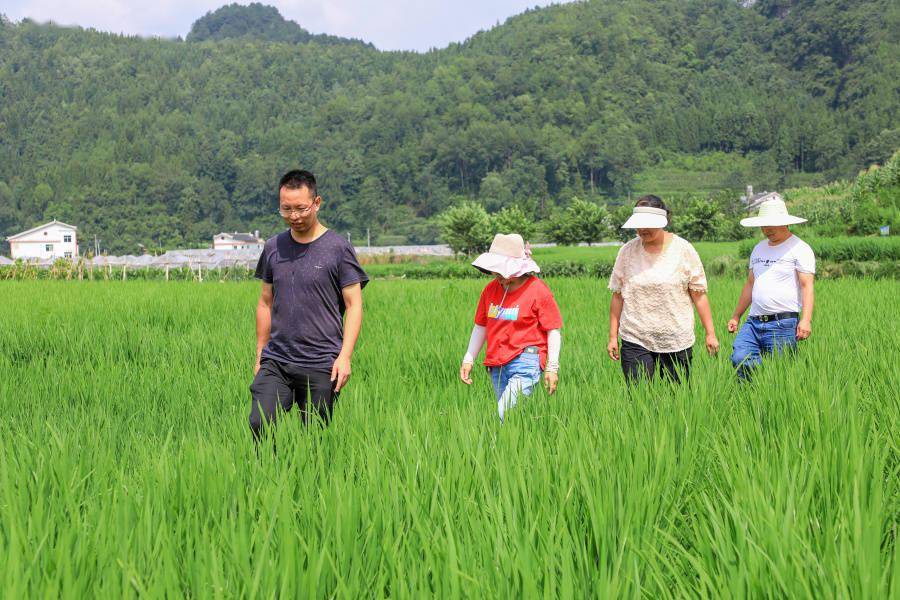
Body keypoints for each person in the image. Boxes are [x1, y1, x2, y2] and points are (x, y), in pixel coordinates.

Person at [249, 170, 368, 440]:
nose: (294, 216)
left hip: (321, 362)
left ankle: (306, 479)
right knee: (259, 424)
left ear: (316, 203)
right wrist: (260, 354)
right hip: (277, 360)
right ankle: (268, 477)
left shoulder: (338, 248)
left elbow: (354, 305)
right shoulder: (273, 248)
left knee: (314, 437)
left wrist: (345, 356)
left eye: (301, 208)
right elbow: (265, 302)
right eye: (286, 209)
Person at [607, 196, 719, 384]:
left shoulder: (683, 249)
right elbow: (618, 296)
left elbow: (699, 295)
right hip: (635, 335)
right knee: (638, 398)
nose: (642, 230)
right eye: (639, 225)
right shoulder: (627, 252)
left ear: (662, 222)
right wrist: (612, 336)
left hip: (676, 337)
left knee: (676, 399)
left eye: (648, 225)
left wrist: (710, 333)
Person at [459, 233, 563, 421]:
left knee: (502, 412)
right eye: (494, 270)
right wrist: (469, 358)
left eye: (500, 270)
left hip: (526, 359)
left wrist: (552, 367)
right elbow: (481, 326)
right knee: (511, 420)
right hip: (496, 363)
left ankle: (493, 446)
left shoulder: (537, 289)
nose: (496, 275)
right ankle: (507, 449)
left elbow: (553, 330)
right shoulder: (490, 290)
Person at [728, 198, 815, 380]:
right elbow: (750, 284)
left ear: (786, 222)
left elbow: (807, 286)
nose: (767, 230)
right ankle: (753, 394)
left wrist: (806, 320)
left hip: (782, 323)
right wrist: (736, 315)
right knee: (740, 357)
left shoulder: (800, 248)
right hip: (753, 322)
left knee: (781, 376)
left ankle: (769, 395)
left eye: (771, 225)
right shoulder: (758, 248)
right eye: (763, 225)